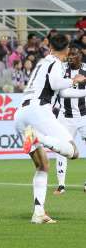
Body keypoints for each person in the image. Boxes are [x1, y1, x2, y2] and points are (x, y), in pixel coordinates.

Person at [15, 33, 86, 224]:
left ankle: (38, 213)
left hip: (21, 114)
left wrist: (81, 87)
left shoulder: (42, 62)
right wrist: (75, 79)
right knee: (73, 151)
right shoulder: (55, 63)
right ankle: (39, 137)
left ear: (50, 46)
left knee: (43, 165)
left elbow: (61, 91)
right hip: (38, 111)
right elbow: (56, 84)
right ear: (67, 49)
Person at [52, 46, 86, 195]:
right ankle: (61, 185)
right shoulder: (61, 69)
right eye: (70, 54)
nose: (71, 57)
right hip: (65, 117)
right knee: (61, 150)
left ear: (80, 56)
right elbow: (61, 91)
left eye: (74, 55)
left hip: (84, 116)